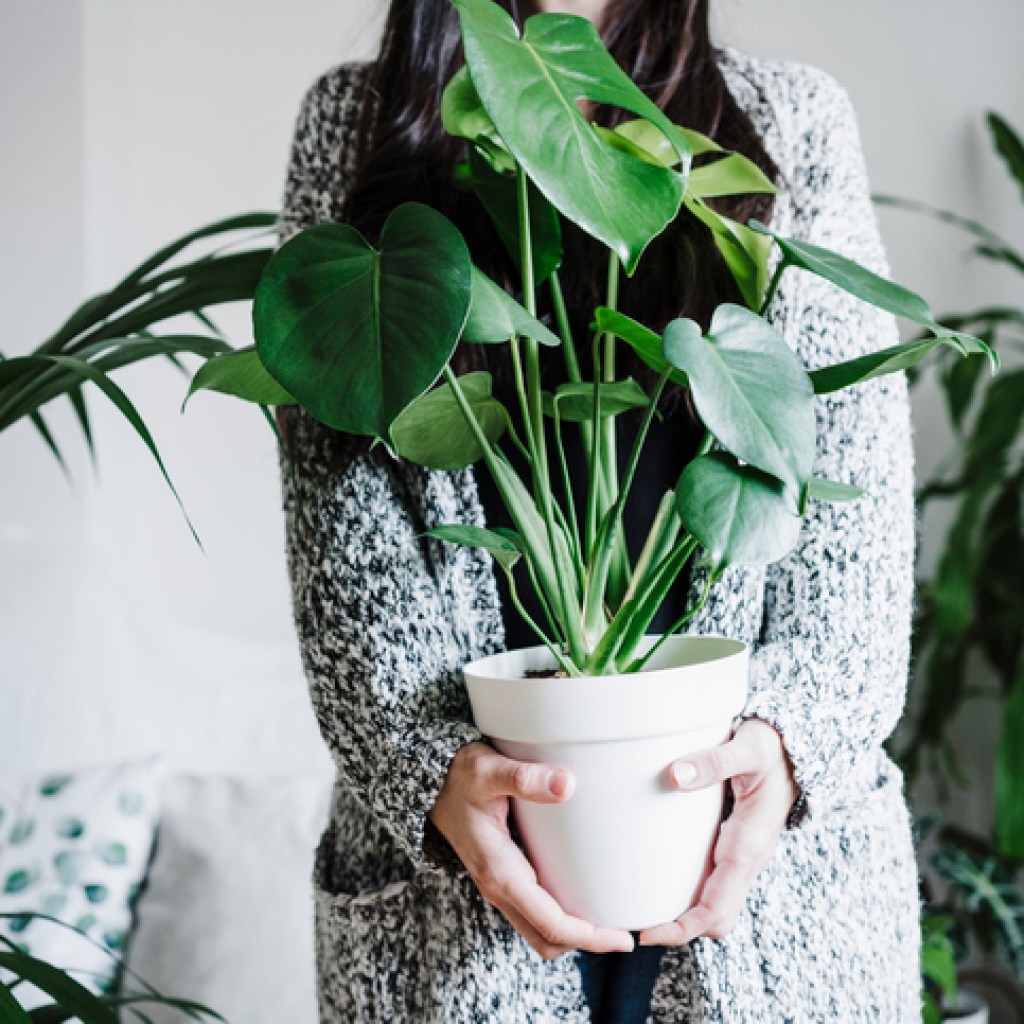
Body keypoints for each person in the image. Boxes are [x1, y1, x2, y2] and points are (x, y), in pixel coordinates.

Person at [274, 1, 921, 1021]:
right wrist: (428, 771)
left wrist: (789, 746)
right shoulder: (358, 125)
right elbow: (337, 497)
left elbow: (851, 501)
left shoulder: (785, 122)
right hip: (462, 876)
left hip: (759, 875)